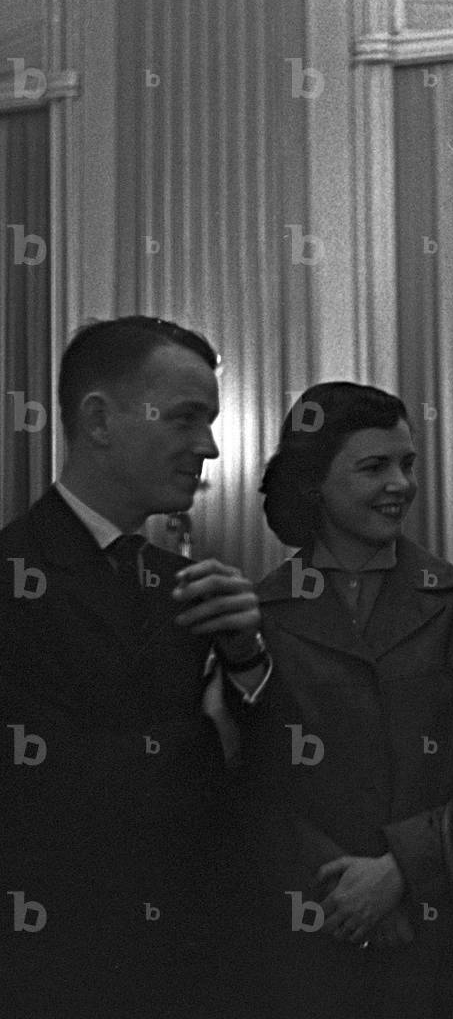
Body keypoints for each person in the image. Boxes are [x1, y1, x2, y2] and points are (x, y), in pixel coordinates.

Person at [0, 317, 270, 1015]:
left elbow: (260, 791)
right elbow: (50, 795)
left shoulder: (188, 585)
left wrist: (246, 663)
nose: (209, 447)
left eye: (209, 421)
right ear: (98, 420)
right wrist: (211, 742)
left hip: (191, 968)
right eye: (186, 419)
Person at [240, 381, 453, 1019]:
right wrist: (342, 883)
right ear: (315, 483)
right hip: (308, 949)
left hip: (445, 946)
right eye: (374, 467)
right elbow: (248, 778)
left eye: (407, 464)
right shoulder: (259, 616)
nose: (401, 484)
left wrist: (402, 872)